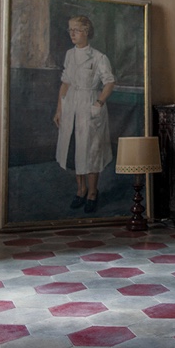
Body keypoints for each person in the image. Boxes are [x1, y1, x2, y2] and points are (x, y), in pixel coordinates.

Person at [53, 15, 116, 213]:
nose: (72, 34)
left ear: (86, 32)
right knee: (74, 149)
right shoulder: (69, 54)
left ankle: (92, 192)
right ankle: (80, 190)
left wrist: (99, 102)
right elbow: (65, 82)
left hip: (89, 106)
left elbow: (109, 82)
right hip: (71, 105)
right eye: (70, 30)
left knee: (91, 151)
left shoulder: (98, 57)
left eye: (76, 30)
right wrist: (59, 109)